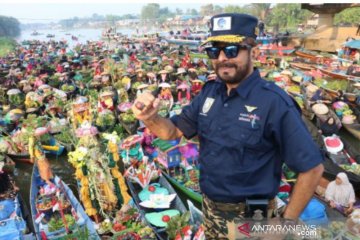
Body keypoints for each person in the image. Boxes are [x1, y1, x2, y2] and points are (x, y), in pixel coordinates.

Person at [132, 13, 324, 239]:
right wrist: (149, 117)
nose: (222, 57)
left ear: (252, 49)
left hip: (253, 215)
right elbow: (171, 131)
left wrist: (286, 223)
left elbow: (312, 169)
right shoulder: (208, 93)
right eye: (214, 51)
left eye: (232, 50)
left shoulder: (274, 102)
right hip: (210, 208)